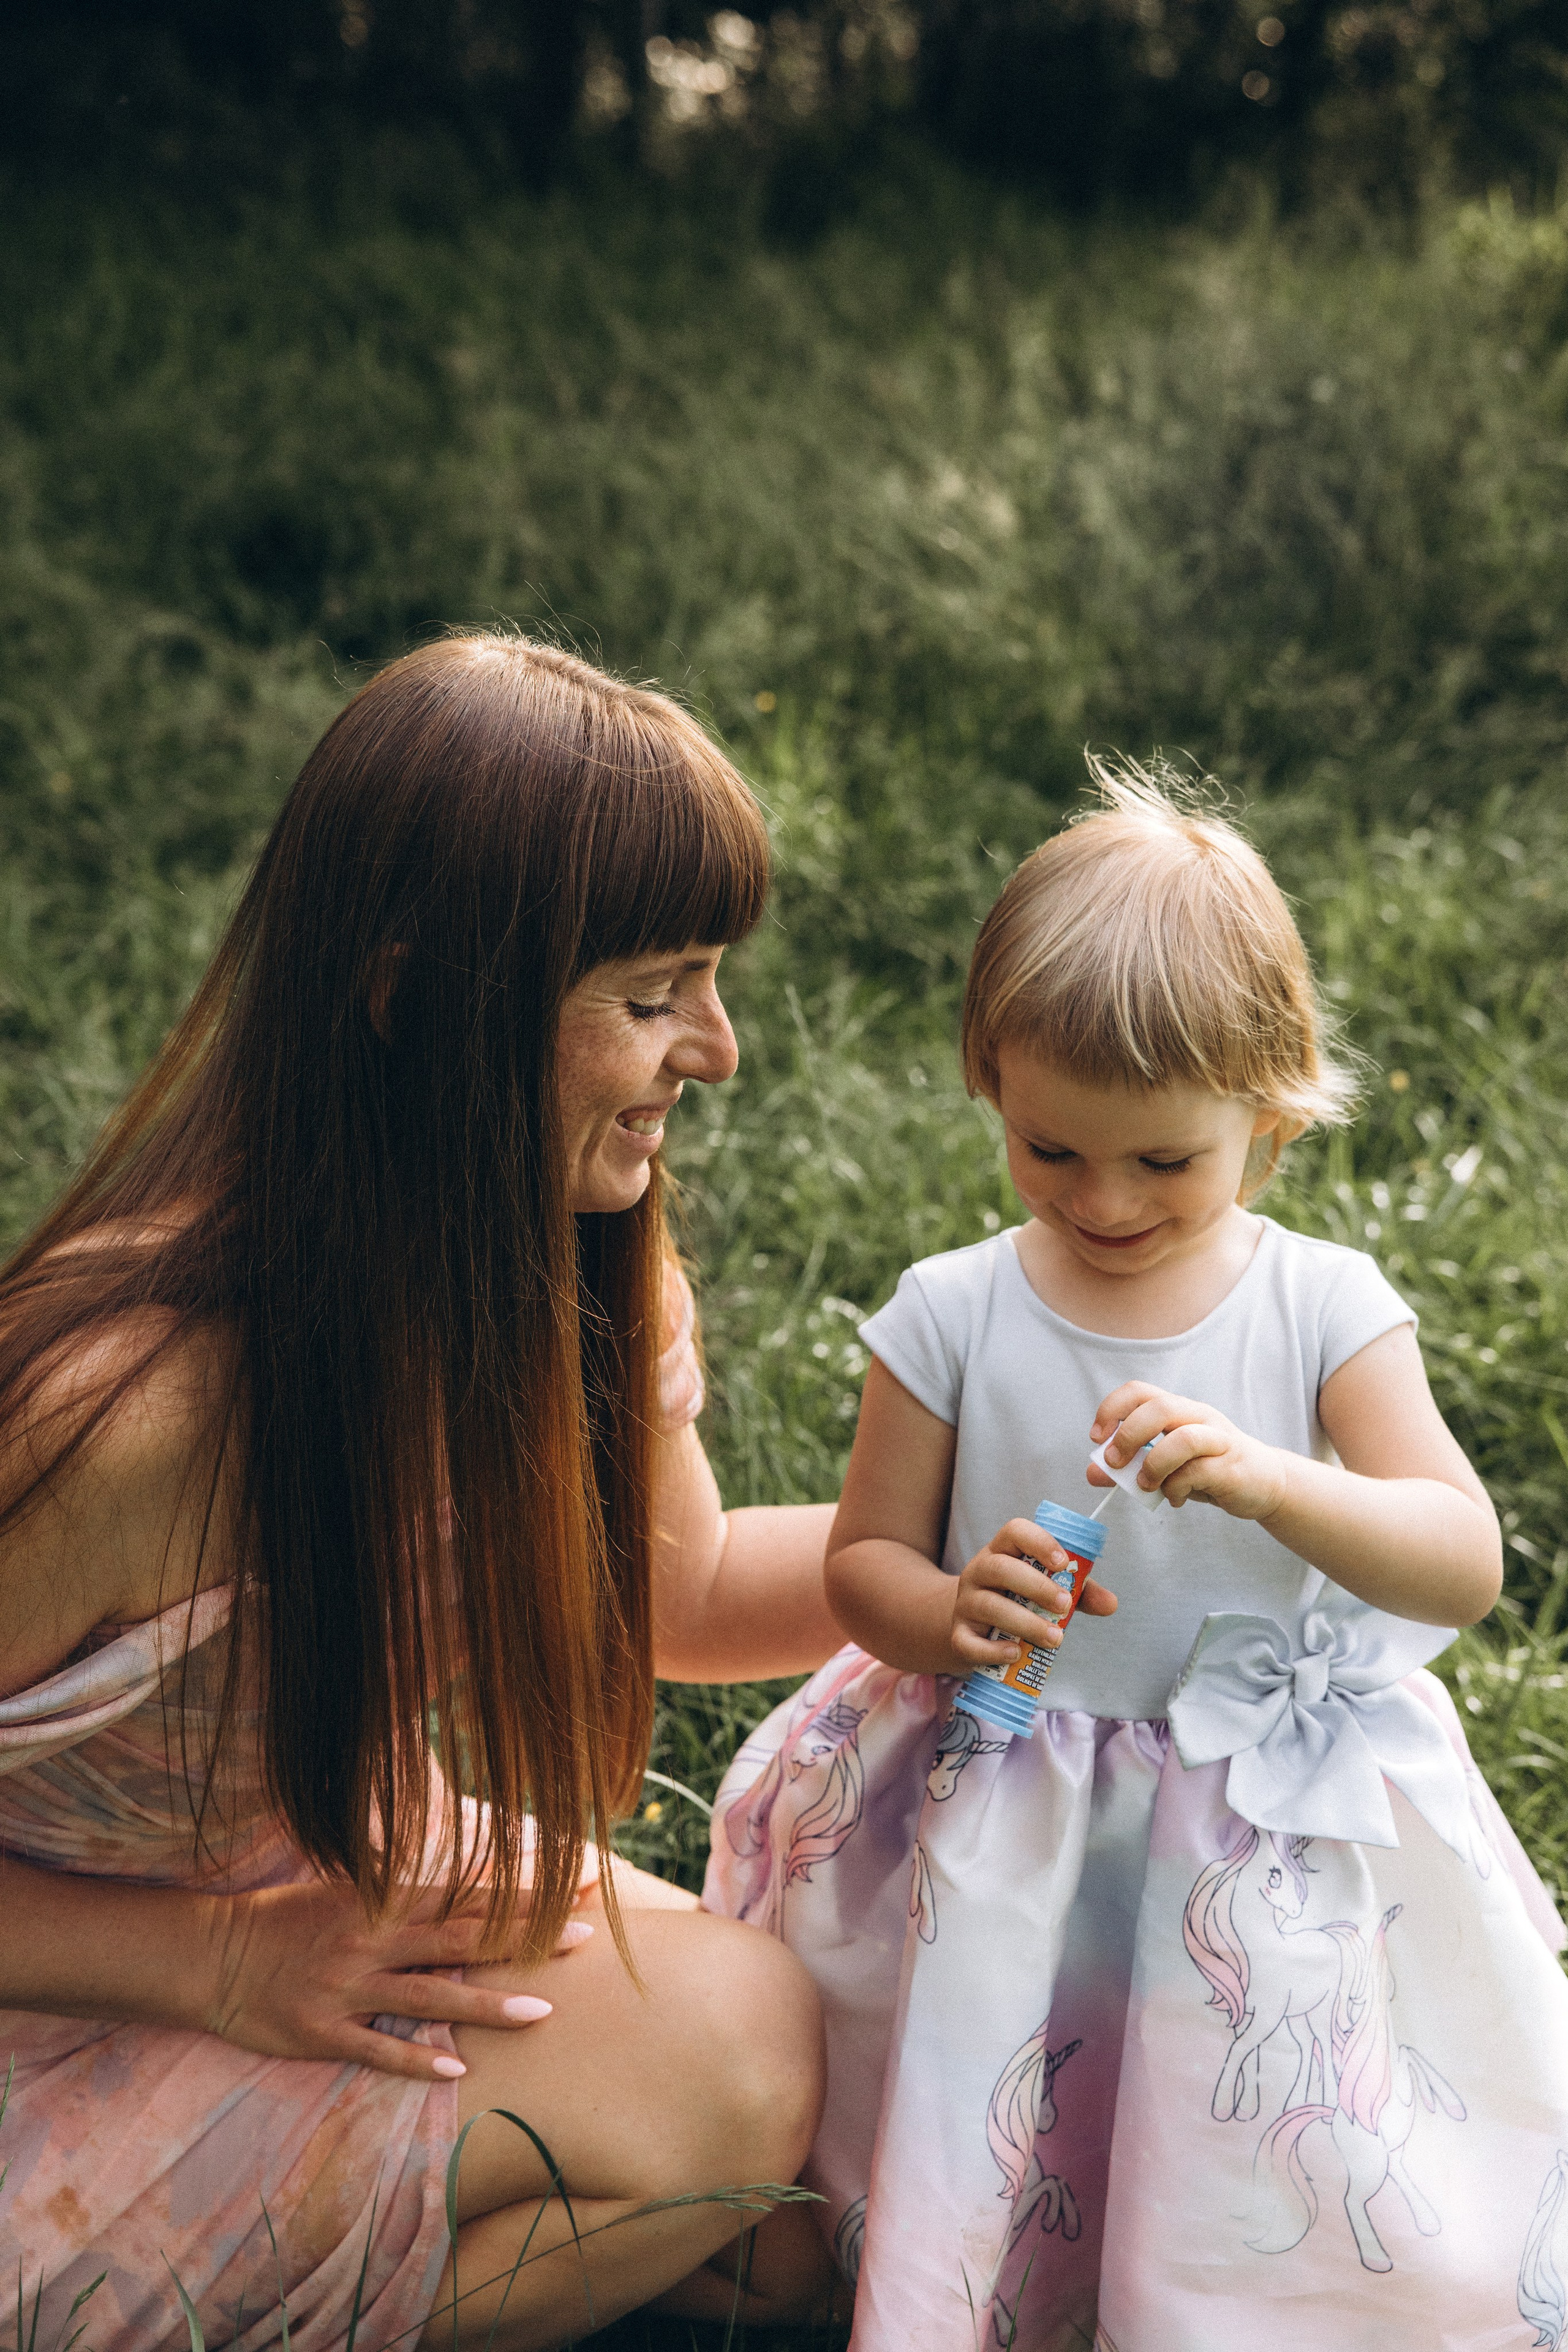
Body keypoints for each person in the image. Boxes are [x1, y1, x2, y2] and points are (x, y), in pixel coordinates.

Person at [0, 635, 849, 2350]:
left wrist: (966, 1536)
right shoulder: (126, 1417)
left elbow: (680, 1594)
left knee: (801, 2203)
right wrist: (222, 1973)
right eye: (652, 992)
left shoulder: (573, 1276)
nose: (721, 1048)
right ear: (410, 997)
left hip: (323, 1886)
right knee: (739, 2073)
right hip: (72, 1986)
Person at [703, 767, 1568, 2351]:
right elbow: (862, 1565)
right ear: (990, 1083)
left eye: (1164, 1165)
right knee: (1014, 2080)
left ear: (1273, 1106)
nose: (1102, 1203)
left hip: (1256, 1822)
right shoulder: (952, 1313)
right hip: (1017, 1792)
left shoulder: (1322, 1305)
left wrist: (1279, 1487)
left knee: (1234, 2110)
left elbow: (1459, 1563)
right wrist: (954, 1610)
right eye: (1051, 1151)